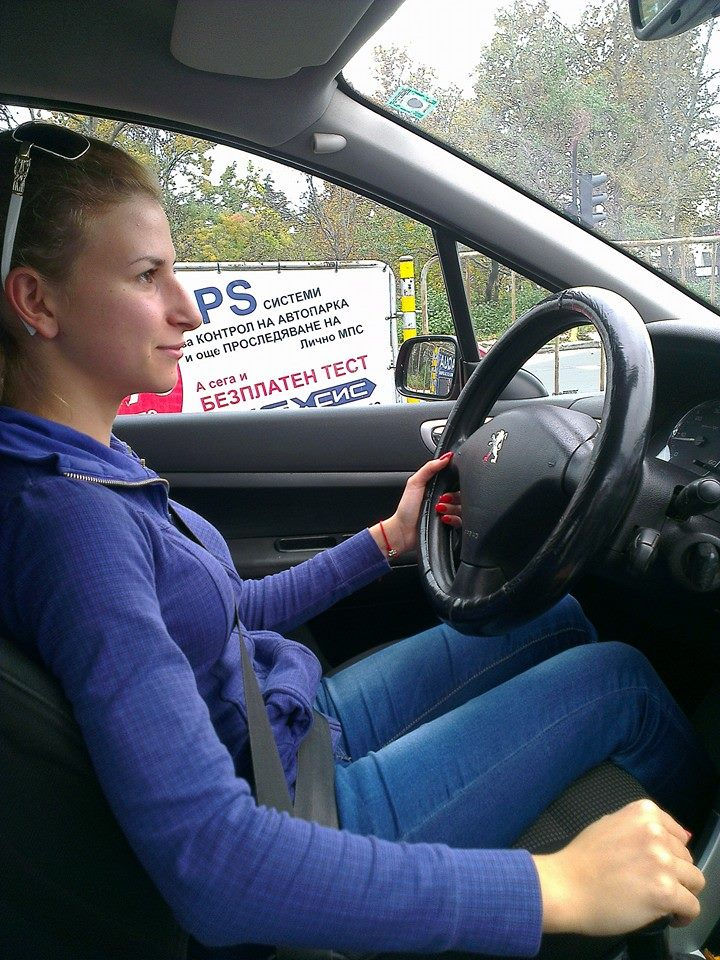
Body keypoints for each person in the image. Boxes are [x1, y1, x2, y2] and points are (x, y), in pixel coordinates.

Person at [0, 121, 715, 959]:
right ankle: (692, 916)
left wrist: (386, 538)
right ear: (36, 301)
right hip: (301, 811)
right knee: (620, 685)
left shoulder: (88, 461)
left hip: (288, 720)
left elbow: (228, 611)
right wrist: (554, 887)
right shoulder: (70, 524)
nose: (187, 308)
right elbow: (216, 867)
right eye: (145, 275)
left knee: (550, 617)